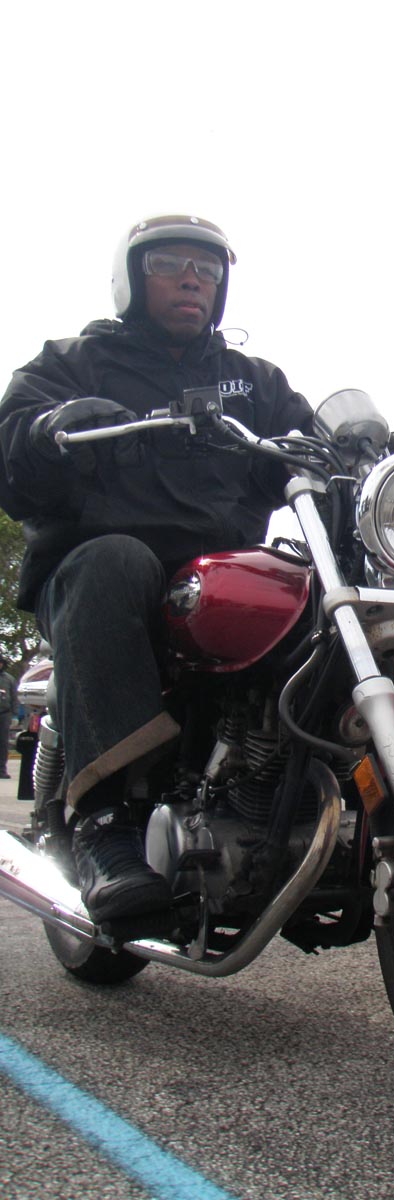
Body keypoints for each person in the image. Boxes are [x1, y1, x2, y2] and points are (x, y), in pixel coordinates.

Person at [0, 215, 313, 923]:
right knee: (117, 560)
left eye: (207, 268)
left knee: (308, 586)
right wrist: (48, 430)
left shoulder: (251, 381)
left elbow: (304, 440)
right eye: (170, 264)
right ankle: (104, 825)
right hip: (102, 577)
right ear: (132, 278)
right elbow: (11, 450)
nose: (191, 279)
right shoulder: (73, 362)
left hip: (217, 580)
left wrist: (367, 443)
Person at [0, 658, 19, 778]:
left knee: (3, 743)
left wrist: (15, 715)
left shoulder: (9, 679)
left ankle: (2, 770)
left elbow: (14, 698)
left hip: (4, 714)